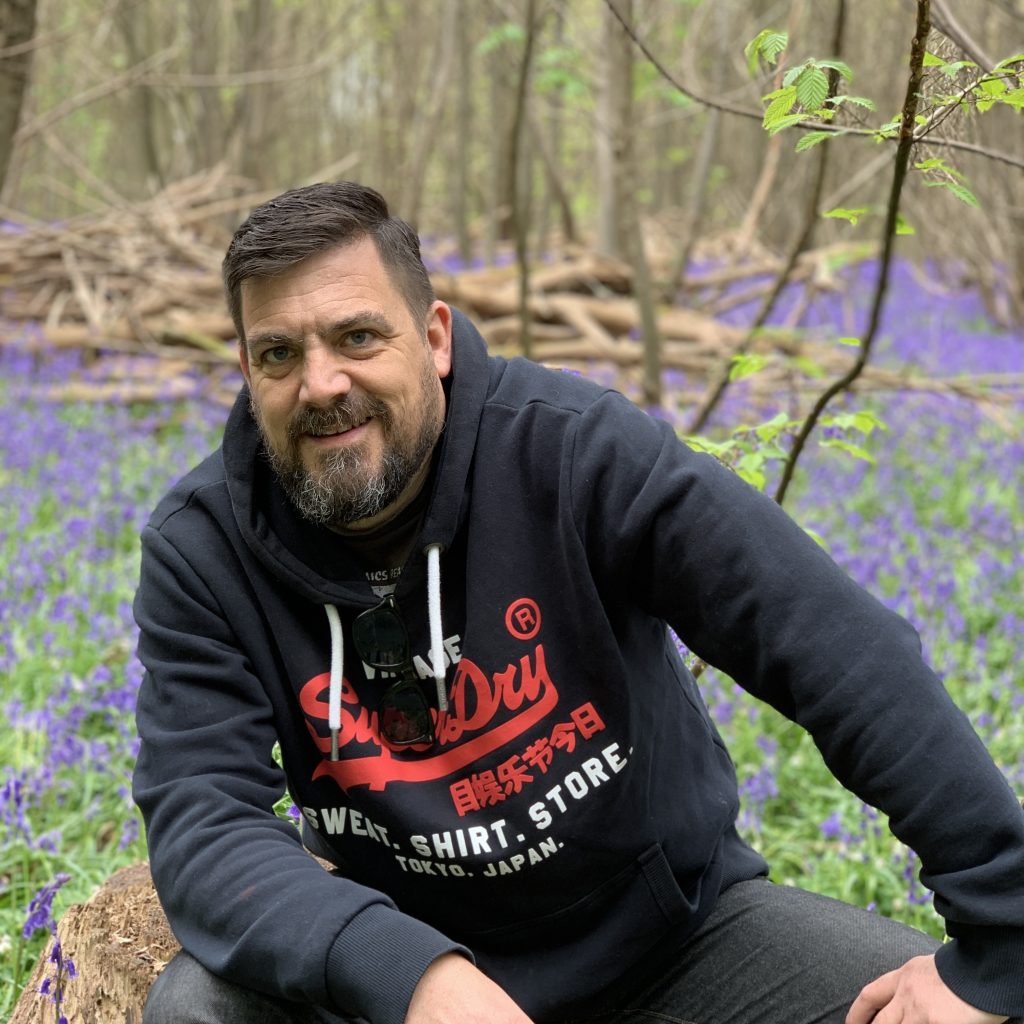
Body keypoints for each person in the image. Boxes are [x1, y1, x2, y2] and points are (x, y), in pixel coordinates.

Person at [132, 181, 1024, 1024]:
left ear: (434, 339)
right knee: (198, 1006)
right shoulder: (202, 548)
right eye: (279, 354)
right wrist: (410, 973)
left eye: (358, 337)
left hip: (671, 950)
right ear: (246, 369)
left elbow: (830, 645)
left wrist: (1003, 935)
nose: (321, 383)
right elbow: (205, 823)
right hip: (400, 973)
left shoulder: (575, 453)